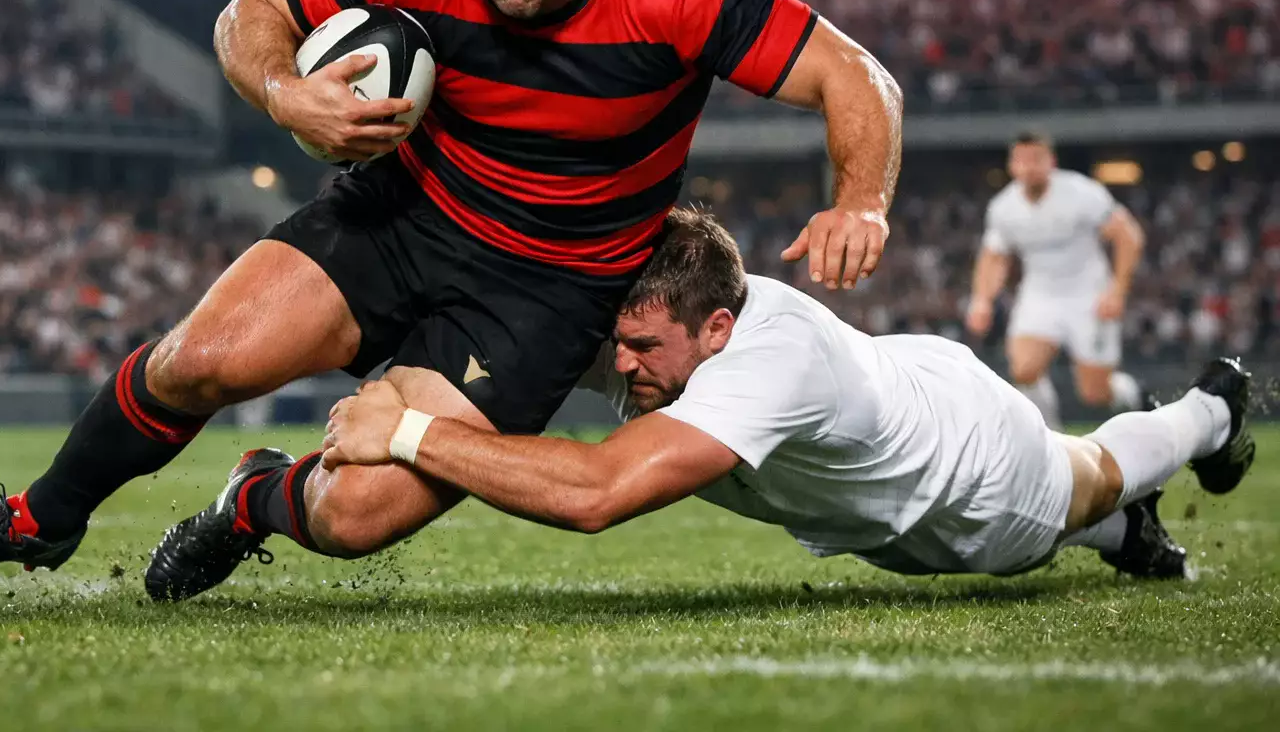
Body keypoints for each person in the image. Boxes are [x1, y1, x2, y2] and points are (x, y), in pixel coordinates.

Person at [0, 0, 904, 596]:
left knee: (353, 518)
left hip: (546, 292)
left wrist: (860, 200)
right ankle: (41, 518)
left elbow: (854, 75)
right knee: (199, 361)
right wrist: (285, 93)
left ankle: (251, 498)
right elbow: (251, 11)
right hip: (402, 215)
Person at [322, 208, 1256, 581]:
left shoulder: (766, 367)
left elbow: (596, 494)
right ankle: (1128, 534)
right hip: (889, 420)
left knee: (1093, 474)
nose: (622, 365)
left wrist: (405, 432)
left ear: (717, 331)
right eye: (619, 343)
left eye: (643, 349)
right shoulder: (673, 323)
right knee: (887, 528)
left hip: (976, 476)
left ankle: (1211, 408)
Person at [966, 132, 1147, 429]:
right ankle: (1051, 438)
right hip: (1040, 294)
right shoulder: (1004, 207)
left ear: (1051, 162)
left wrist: (1117, 291)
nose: (1028, 167)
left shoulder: (1081, 193)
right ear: (1012, 165)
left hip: (1089, 294)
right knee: (1024, 370)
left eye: (1035, 160)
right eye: (1021, 160)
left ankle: (1132, 394)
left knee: (1095, 393)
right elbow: (994, 257)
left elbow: (1128, 236)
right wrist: (982, 300)